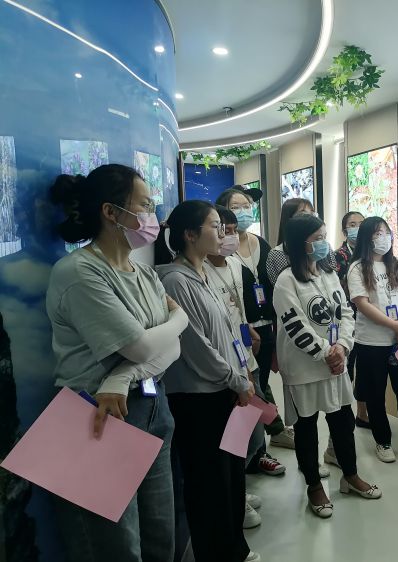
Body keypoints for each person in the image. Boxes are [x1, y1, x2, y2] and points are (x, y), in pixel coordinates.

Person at [46, 164, 188, 562]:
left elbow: (170, 350)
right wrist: (179, 319)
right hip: (97, 415)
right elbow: (142, 348)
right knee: (115, 549)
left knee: (160, 539)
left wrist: (124, 375)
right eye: (145, 205)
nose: (153, 216)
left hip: (151, 405)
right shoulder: (79, 272)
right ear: (111, 212)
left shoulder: (143, 273)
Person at [154, 200, 261, 561]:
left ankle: (234, 548)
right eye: (215, 226)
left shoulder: (205, 273)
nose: (223, 233)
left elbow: (227, 329)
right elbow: (196, 347)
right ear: (189, 234)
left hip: (224, 389)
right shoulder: (175, 280)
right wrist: (234, 379)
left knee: (230, 476)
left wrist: (242, 372)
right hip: (199, 398)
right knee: (209, 483)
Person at [273, 214, 382, 518]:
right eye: (317, 238)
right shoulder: (286, 281)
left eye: (324, 236)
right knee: (306, 427)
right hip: (305, 368)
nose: (324, 243)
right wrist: (326, 353)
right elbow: (295, 325)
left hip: (336, 363)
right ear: (300, 243)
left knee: (343, 422)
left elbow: (345, 311)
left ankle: (350, 475)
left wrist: (343, 347)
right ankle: (314, 486)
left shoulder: (328, 273)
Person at [216, 187, 290, 476]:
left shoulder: (261, 244)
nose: (245, 211)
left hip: (263, 328)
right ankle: (252, 454)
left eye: (248, 206)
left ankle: (258, 449)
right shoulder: (221, 254)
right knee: (248, 391)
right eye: (237, 206)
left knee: (260, 384)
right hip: (238, 335)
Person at [347, 217, 398, 463]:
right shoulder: (357, 268)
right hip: (371, 342)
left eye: (385, 232)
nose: (382, 237)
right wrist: (393, 325)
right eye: (377, 233)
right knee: (375, 395)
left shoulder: (397, 264)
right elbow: (362, 304)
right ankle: (382, 441)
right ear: (366, 238)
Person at [204, 205, 267, 530]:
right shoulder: (198, 271)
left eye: (231, 230)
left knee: (252, 434)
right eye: (222, 230)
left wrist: (248, 328)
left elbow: (236, 309)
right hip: (223, 367)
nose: (228, 236)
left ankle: (238, 488)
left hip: (244, 355)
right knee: (231, 439)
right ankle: (233, 499)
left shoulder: (233, 264)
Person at [266, 197, 336, 477]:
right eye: (302, 214)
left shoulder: (325, 262)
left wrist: (340, 347)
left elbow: (338, 299)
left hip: (330, 343)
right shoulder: (281, 264)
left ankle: (337, 455)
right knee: (306, 417)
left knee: (338, 412)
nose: (309, 217)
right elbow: (291, 311)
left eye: (312, 212)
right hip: (302, 348)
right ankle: (311, 473)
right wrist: (324, 350)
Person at [333, 211, 369, 429]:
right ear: (345, 230)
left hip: (370, 318)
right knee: (348, 365)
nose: (357, 228)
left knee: (365, 367)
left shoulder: (371, 253)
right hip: (347, 317)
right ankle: (343, 411)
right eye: (352, 224)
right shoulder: (338, 256)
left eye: (361, 224)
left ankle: (362, 413)